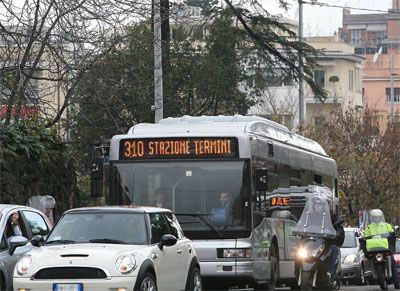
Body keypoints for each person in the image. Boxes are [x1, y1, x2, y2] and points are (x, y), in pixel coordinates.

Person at [308, 196, 345, 281]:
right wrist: (298, 227)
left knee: (334, 248)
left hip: (327, 242)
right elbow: (303, 224)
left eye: (320, 205)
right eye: (316, 205)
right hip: (313, 242)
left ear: (324, 206)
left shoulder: (331, 216)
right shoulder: (309, 216)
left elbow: (337, 226)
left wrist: (338, 232)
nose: (318, 207)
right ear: (313, 206)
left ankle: (330, 272)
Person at [364, 209, 399, 289]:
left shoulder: (387, 225)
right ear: (372, 218)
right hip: (373, 248)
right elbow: (365, 237)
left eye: (378, 217)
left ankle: (396, 281)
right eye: (375, 217)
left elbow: (392, 233)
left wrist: (391, 233)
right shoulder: (369, 227)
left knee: (392, 260)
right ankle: (374, 274)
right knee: (370, 259)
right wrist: (364, 238)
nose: (377, 218)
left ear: (381, 217)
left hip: (385, 247)